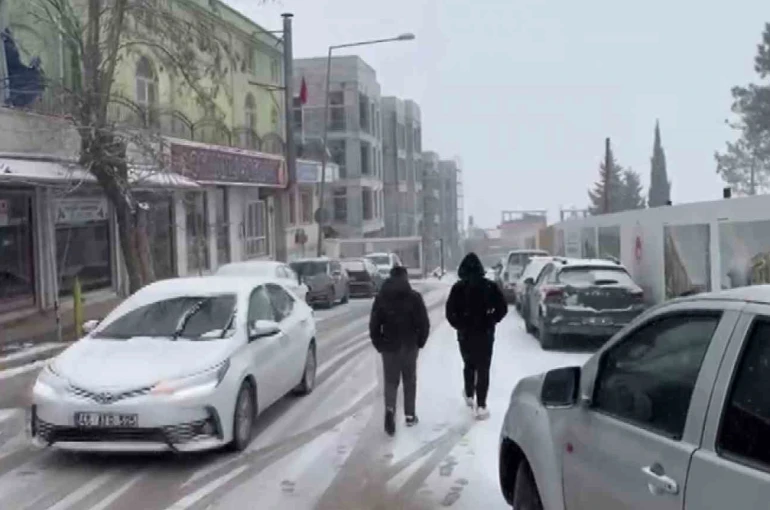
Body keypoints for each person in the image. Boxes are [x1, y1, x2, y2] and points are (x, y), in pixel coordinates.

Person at [445, 252, 508, 420]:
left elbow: (449, 312)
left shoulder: (458, 288)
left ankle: (469, 394)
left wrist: (459, 325)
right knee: (484, 368)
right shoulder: (489, 286)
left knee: (469, 364)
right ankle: (481, 404)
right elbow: (502, 307)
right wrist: (492, 320)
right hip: (485, 334)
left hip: (465, 334)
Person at [369, 265, 430, 436]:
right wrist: (420, 341)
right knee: (409, 380)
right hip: (409, 345)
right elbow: (423, 323)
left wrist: (379, 343)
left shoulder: (381, 298)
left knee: (390, 381)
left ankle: (390, 409)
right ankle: (410, 415)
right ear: (406, 277)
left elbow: (374, 325)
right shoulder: (414, 297)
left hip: (389, 346)